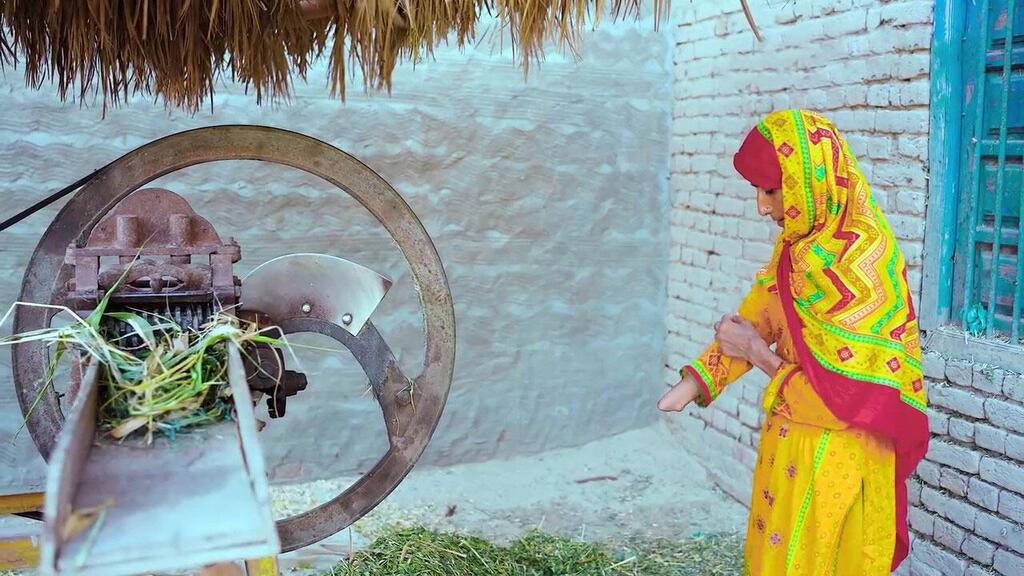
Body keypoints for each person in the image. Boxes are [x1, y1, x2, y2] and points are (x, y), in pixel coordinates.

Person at [658, 109, 929, 575]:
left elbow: (849, 399)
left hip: (842, 459)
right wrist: (699, 381)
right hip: (789, 444)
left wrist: (758, 356)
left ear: (810, 180)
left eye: (770, 191)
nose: (764, 208)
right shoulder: (795, 248)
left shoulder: (867, 260)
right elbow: (756, 319)